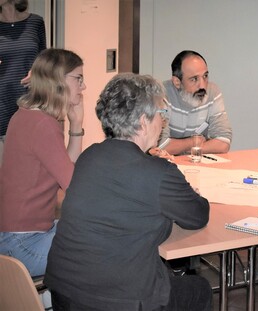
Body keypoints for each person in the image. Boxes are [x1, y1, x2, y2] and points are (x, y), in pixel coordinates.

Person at [44, 73, 212, 311]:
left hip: (64, 295)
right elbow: (198, 215)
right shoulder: (158, 172)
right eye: (161, 115)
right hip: (116, 303)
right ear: (144, 121)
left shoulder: (89, 157)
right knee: (199, 290)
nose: (163, 123)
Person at [0, 48, 85, 277]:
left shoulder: (26, 115)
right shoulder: (43, 124)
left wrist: (76, 125)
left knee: (93, 232)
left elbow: (63, 170)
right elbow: (74, 186)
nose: (83, 87)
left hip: (14, 239)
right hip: (24, 245)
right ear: (58, 80)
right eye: (78, 79)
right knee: (101, 245)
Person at [159, 50, 232, 155]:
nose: (202, 86)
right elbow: (161, 146)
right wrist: (194, 141)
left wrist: (184, 149)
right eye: (194, 79)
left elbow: (224, 142)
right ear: (177, 82)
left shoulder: (213, 92)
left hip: (197, 165)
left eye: (205, 76)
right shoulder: (160, 96)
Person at [0, 0, 46, 165]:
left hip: (30, 100)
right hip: (2, 101)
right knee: (9, 164)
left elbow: (44, 60)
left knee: (29, 161)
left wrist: (36, 71)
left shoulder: (36, 22)